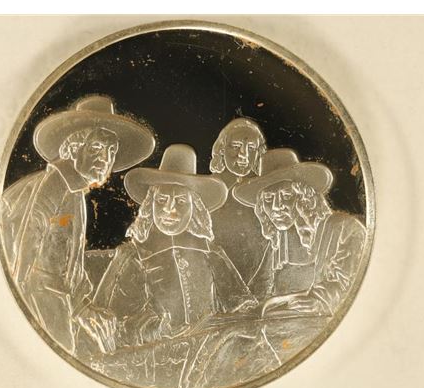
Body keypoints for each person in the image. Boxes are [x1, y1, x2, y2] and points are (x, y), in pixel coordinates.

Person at [0, 94, 155, 352]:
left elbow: (67, 262)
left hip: (54, 304)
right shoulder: (54, 184)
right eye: (95, 148)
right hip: (40, 305)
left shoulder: (74, 192)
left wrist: (83, 306)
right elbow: (26, 250)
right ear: (73, 148)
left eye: (111, 151)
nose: (105, 158)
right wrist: (16, 309)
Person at [82, 144, 257, 351]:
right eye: (162, 200)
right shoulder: (133, 255)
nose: (170, 210)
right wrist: (154, 330)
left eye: (180, 201)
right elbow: (110, 325)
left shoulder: (211, 253)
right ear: (150, 205)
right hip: (154, 358)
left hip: (208, 353)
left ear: (195, 208)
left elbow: (241, 304)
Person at [233, 149, 367, 317]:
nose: (276, 206)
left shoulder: (346, 229)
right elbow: (260, 288)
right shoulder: (279, 242)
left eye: (286, 195)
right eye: (268, 199)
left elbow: (352, 283)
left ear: (304, 197)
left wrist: (321, 301)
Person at [209, 117, 267, 281]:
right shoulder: (206, 190)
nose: (243, 155)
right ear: (221, 149)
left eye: (251, 148)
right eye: (235, 146)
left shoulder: (268, 194)